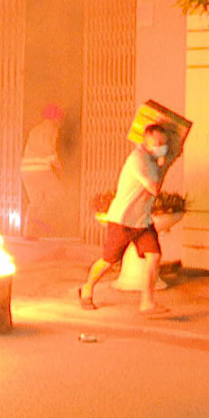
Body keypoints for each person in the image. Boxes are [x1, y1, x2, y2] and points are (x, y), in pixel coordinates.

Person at [77, 124, 174, 315]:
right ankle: (87, 288)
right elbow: (154, 188)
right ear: (146, 140)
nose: (161, 145)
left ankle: (147, 302)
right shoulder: (138, 160)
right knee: (109, 261)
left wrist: (163, 163)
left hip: (143, 221)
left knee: (154, 257)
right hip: (123, 220)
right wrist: (166, 164)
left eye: (164, 142)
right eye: (158, 142)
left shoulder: (152, 160)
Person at [20, 103, 64, 238]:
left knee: (36, 201)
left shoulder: (34, 130)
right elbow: (49, 148)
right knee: (58, 193)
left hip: (26, 169)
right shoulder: (52, 129)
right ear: (55, 118)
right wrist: (58, 164)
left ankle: (28, 232)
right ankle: (39, 220)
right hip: (41, 169)